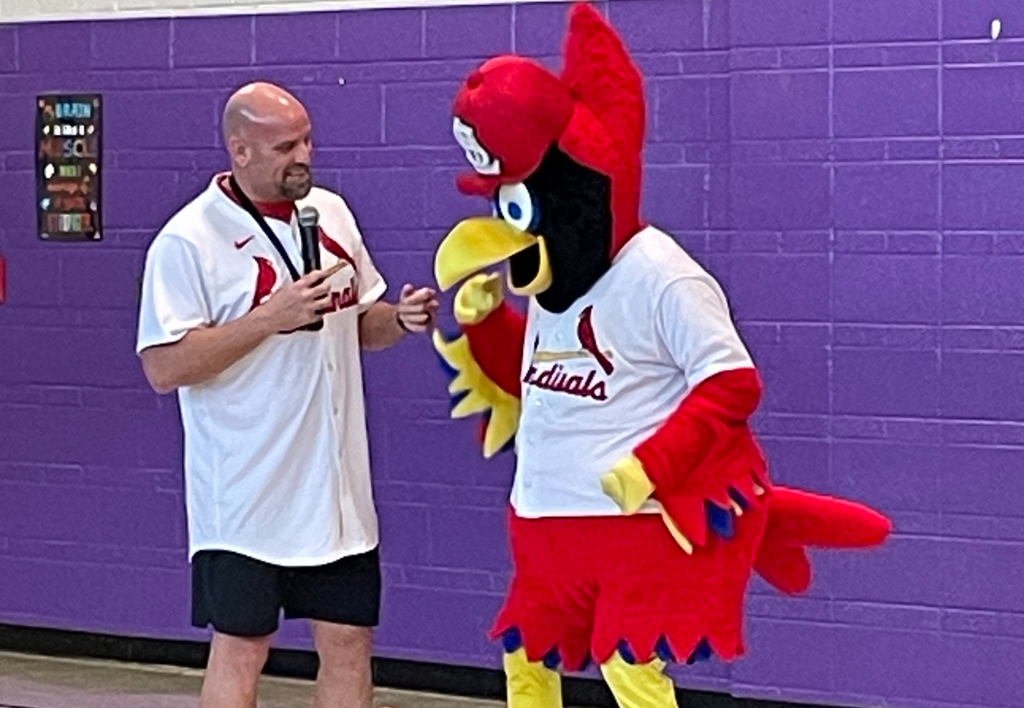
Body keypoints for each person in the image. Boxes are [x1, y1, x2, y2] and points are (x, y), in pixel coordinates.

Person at [135, 81, 438, 708]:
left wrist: (400, 320)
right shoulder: (188, 241)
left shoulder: (331, 213)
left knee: (350, 639)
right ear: (240, 151)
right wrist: (267, 319)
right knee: (243, 646)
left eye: (307, 139)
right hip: (246, 499)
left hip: (335, 493)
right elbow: (164, 367)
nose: (304, 155)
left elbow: (360, 324)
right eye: (284, 146)